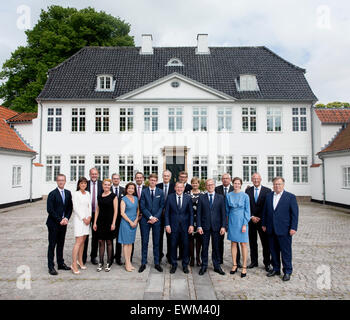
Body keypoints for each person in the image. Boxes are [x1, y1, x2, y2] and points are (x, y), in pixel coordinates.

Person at [262, 177, 299, 282]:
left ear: (283, 185)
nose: (277, 186)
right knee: (273, 250)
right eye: (275, 184)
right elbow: (265, 211)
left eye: (279, 184)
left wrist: (293, 227)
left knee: (286, 252)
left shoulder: (290, 197)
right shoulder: (268, 196)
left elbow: (295, 214)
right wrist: (264, 224)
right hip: (271, 228)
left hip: (285, 230)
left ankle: (287, 271)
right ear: (273, 185)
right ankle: (276, 268)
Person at [197, 179, 226, 276]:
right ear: (206, 186)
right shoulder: (202, 197)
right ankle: (204, 265)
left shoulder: (220, 198)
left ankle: (217, 266)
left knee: (216, 247)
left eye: (211, 185)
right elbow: (199, 213)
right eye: (208, 185)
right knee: (204, 247)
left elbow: (223, 213)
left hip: (217, 227)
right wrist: (199, 226)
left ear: (214, 185)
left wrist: (223, 226)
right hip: (205, 227)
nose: (210, 186)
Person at [46, 174, 72, 275]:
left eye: (63, 180)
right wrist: (59, 219)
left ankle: (60, 263)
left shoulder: (68, 193)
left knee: (61, 244)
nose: (61, 182)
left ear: (65, 181)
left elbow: (70, 207)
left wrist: (66, 218)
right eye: (59, 180)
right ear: (57, 181)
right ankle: (51, 266)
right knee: (52, 245)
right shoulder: (52, 194)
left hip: (63, 223)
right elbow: (50, 210)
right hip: (53, 223)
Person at [165, 182, 194, 274]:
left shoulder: (188, 198)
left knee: (185, 245)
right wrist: (167, 225)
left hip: (185, 227)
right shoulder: (170, 197)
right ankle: (174, 264)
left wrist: (191, 225)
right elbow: (167, 213)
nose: (179, 189)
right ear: (175, 188)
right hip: (173, 226)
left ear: (184, 188)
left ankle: (185, 265)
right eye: (177, 187)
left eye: (181, 187)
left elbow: (191, 213)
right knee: (173, 245)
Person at [246, 173, 272, 271]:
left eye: (257, 178)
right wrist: (252, 216)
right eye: (254, 179)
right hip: (251, 221)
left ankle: (267, 263)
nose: (256, 180)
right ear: (252, 180)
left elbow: (267, 207)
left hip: (262, 221)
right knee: (252, 242)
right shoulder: (248, 191)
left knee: (265, 243)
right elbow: (247, 206)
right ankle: (254, 261)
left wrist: (260, 218)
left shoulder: (267, 191)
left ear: (260, 179)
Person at [139, 174, 165, 273]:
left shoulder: (160, 192)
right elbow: (142, 206)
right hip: (145, 220)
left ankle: (157, 262)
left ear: (156, 181)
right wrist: (150, 217)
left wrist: (155, 218)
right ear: (148, 181)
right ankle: (143, 262)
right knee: (144, 242)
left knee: (156, 242)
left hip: (157, 221)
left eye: (154, 180)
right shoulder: (144, 192)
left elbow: (162, 206)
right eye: (151, 180)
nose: (153, 182)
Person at [226, 177, 250, 278]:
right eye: (235, 183)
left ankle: (244, 266)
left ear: (241, 184)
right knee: (233, 243)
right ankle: (235, 264)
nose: (236, 185)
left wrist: (245, 224)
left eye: (238, 183)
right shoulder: (228, 195)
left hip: (242, 221)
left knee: (243, 244)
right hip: (232, 221)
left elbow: (247, 211)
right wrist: (226, 223)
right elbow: (227, 210)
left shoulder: (245, 196)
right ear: (233, 184)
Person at [215, 173, 241, 267]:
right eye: (223, 178)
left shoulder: (234, 189)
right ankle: (219, 259)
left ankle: (237, 261)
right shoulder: (217, 189)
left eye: (227, 178)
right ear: (221, 180)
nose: (225, 180)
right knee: (219, 240)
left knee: (235, 240)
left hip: (232, 219)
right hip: (220, 218)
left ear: (230, 180)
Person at [93, 179, 118, 272]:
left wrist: (113, 223)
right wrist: (95, 222)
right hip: (100, 222)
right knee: (100, 241)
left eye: (108, 185)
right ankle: (101, 262)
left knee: (109, 242)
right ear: (102, 186)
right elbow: (97, 210)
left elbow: (116, 211)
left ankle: (109, 262)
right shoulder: (99, 196)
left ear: (110, 186)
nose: (106, 186)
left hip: (109, 221)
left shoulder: (113, 196)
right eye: (105, 185)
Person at [71, 177, 91, 275]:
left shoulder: (87, 193)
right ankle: (74, 264)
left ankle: (80, 261)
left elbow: (89, 206)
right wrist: (83, 218)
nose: (83, 185)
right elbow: (75, 207)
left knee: (83, 241)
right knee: (78, 241)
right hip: (79, 220)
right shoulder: (76, 194)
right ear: (79, 184)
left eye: (85, 183)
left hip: (87, 220)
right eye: (82, 183)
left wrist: (90, 217)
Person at [83, 168, 103, 265]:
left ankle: (93, 256)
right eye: (92, 174)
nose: (94, 175)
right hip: (87, 213)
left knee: (95, 236)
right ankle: (83, 257)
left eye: (95, 174)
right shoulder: (84, 183)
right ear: (89, 174)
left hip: (98, 214)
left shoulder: (102, 184)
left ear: (98, 174)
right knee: (85, 235)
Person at [118, 182, 140, 272]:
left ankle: (129, 262)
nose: (131, 190)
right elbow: (122, 213)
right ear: (126, 189)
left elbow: (138, 210)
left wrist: (136, 220)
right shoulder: (123, 199)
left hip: (134, 223)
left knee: (130, 243)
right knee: (126, 243)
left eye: (132, 188)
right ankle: (126, 263)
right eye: (129, 188)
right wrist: (130, 221)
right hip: (126, 223)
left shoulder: (135, 198)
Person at [156, 170, 175, 264]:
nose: (166, 177)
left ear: (170, 177)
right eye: (164, 176)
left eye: (167, 176)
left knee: (170, 237)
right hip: (159, 216)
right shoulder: (158, 186)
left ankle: (170, 256)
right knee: (159, 237)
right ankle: (159, 256)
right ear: (162, 176)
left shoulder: (174, 187)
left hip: (171, 217)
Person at [186, 177, 203, 267]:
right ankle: (192, 258)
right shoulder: (187, 194)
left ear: (199, 184)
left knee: (199, 240)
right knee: (190, 240)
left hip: (200, 221)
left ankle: (198, 258)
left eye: (196, 183)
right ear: (191, 184)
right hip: (190, 220)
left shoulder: (203, 194)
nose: (195, 185)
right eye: (193, 183)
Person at [110, 173, 125, 265]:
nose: (116, 180)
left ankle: (118, 257)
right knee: (110, 238)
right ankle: (110, 257)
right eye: (114, 178)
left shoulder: (123, 190)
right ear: (112, 180)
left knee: (119, 239)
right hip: (110, 217)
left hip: (120, 218)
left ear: (120, 180)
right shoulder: (108, 189)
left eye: (117, 178)